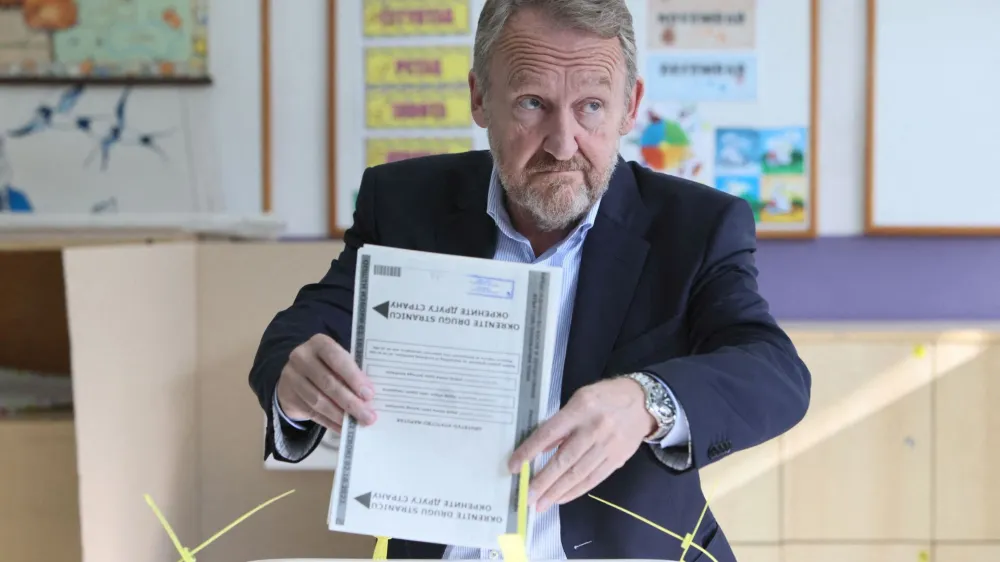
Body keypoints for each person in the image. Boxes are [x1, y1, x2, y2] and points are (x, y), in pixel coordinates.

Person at [248, 0, 811, 560]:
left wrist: (648, 402)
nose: (562, 144)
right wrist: (295, 377)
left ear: (630, 106)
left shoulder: (696, 226)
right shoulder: (404, 203)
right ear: (479, 98)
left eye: (591, 106)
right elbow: (302, 329)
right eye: (532, 103)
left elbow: (774, 370)